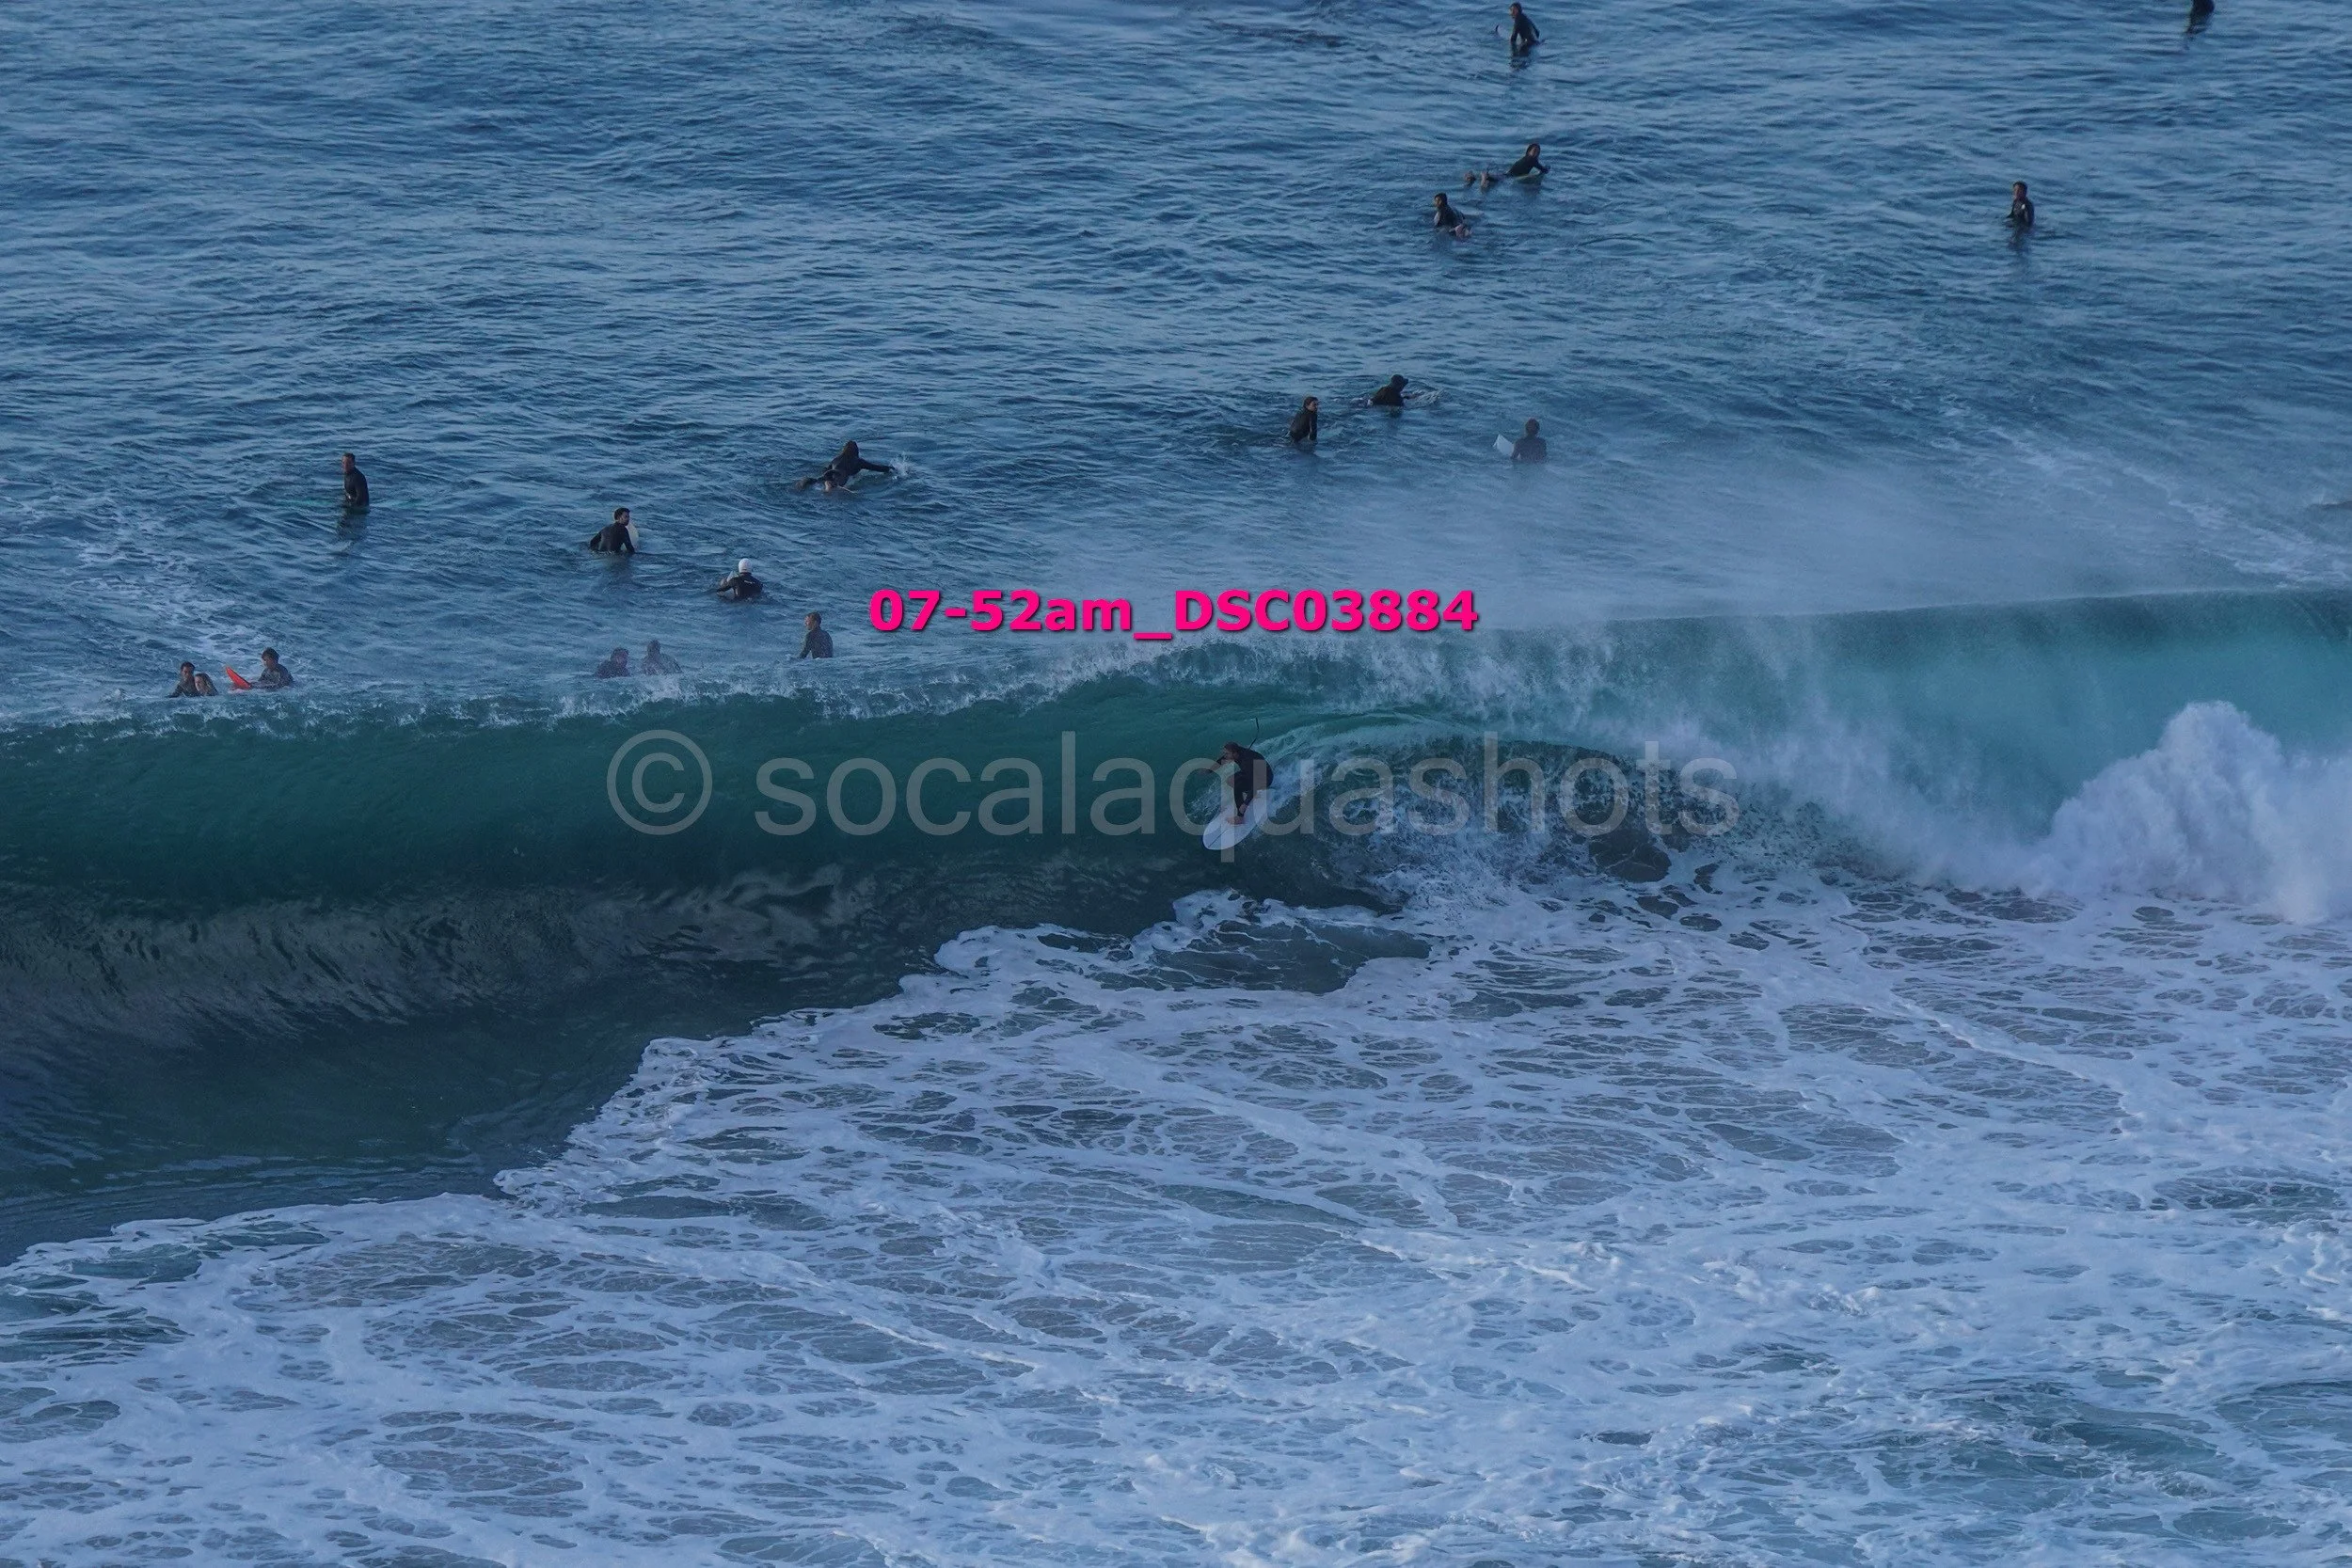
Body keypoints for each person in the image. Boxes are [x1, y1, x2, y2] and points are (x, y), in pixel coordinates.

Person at [797, 441, 893, 493]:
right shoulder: (859, 461)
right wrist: (892, 469)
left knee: (816, 480)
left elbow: (826, 469)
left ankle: (808, 484)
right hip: (841, 476)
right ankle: (829, 488)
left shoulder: (836, 458)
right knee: (836, 489)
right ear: (856, 451)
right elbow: (876, 467)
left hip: (831, 474)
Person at [1219, 740, 1270, 824]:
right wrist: (1209, 770)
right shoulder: (1238, 752)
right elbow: (1224, 758)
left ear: (1234, 753)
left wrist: (1245, 804)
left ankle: (1240, 818)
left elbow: (1255, 782)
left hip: (1265, 779)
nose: (1225, 756)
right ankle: (1251, 794)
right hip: (1252, 773)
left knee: (1238, 787)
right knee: (1230, 780)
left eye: (1227, 754)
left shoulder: (1247, 762)